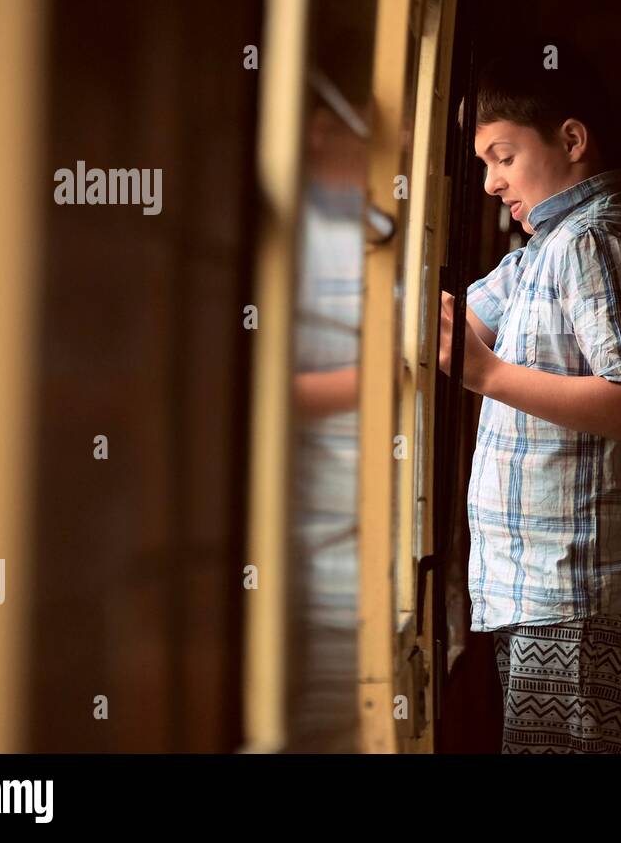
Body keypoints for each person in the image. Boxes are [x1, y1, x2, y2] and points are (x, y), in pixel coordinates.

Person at [437, 45, 621, 753]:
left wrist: (487, 376)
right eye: (485, 163)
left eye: (503, 157)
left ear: (571, 141)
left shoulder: (594, 242)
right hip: (553, 592)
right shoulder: (541, 250)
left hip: (584, 596)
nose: (490, 183)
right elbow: (453, 329)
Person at [287, 89, 366, 753]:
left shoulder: (378, 227)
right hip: (318, 550)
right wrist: (388, 371)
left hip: (380, 549)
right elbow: (268, 392)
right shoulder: (297, 240)